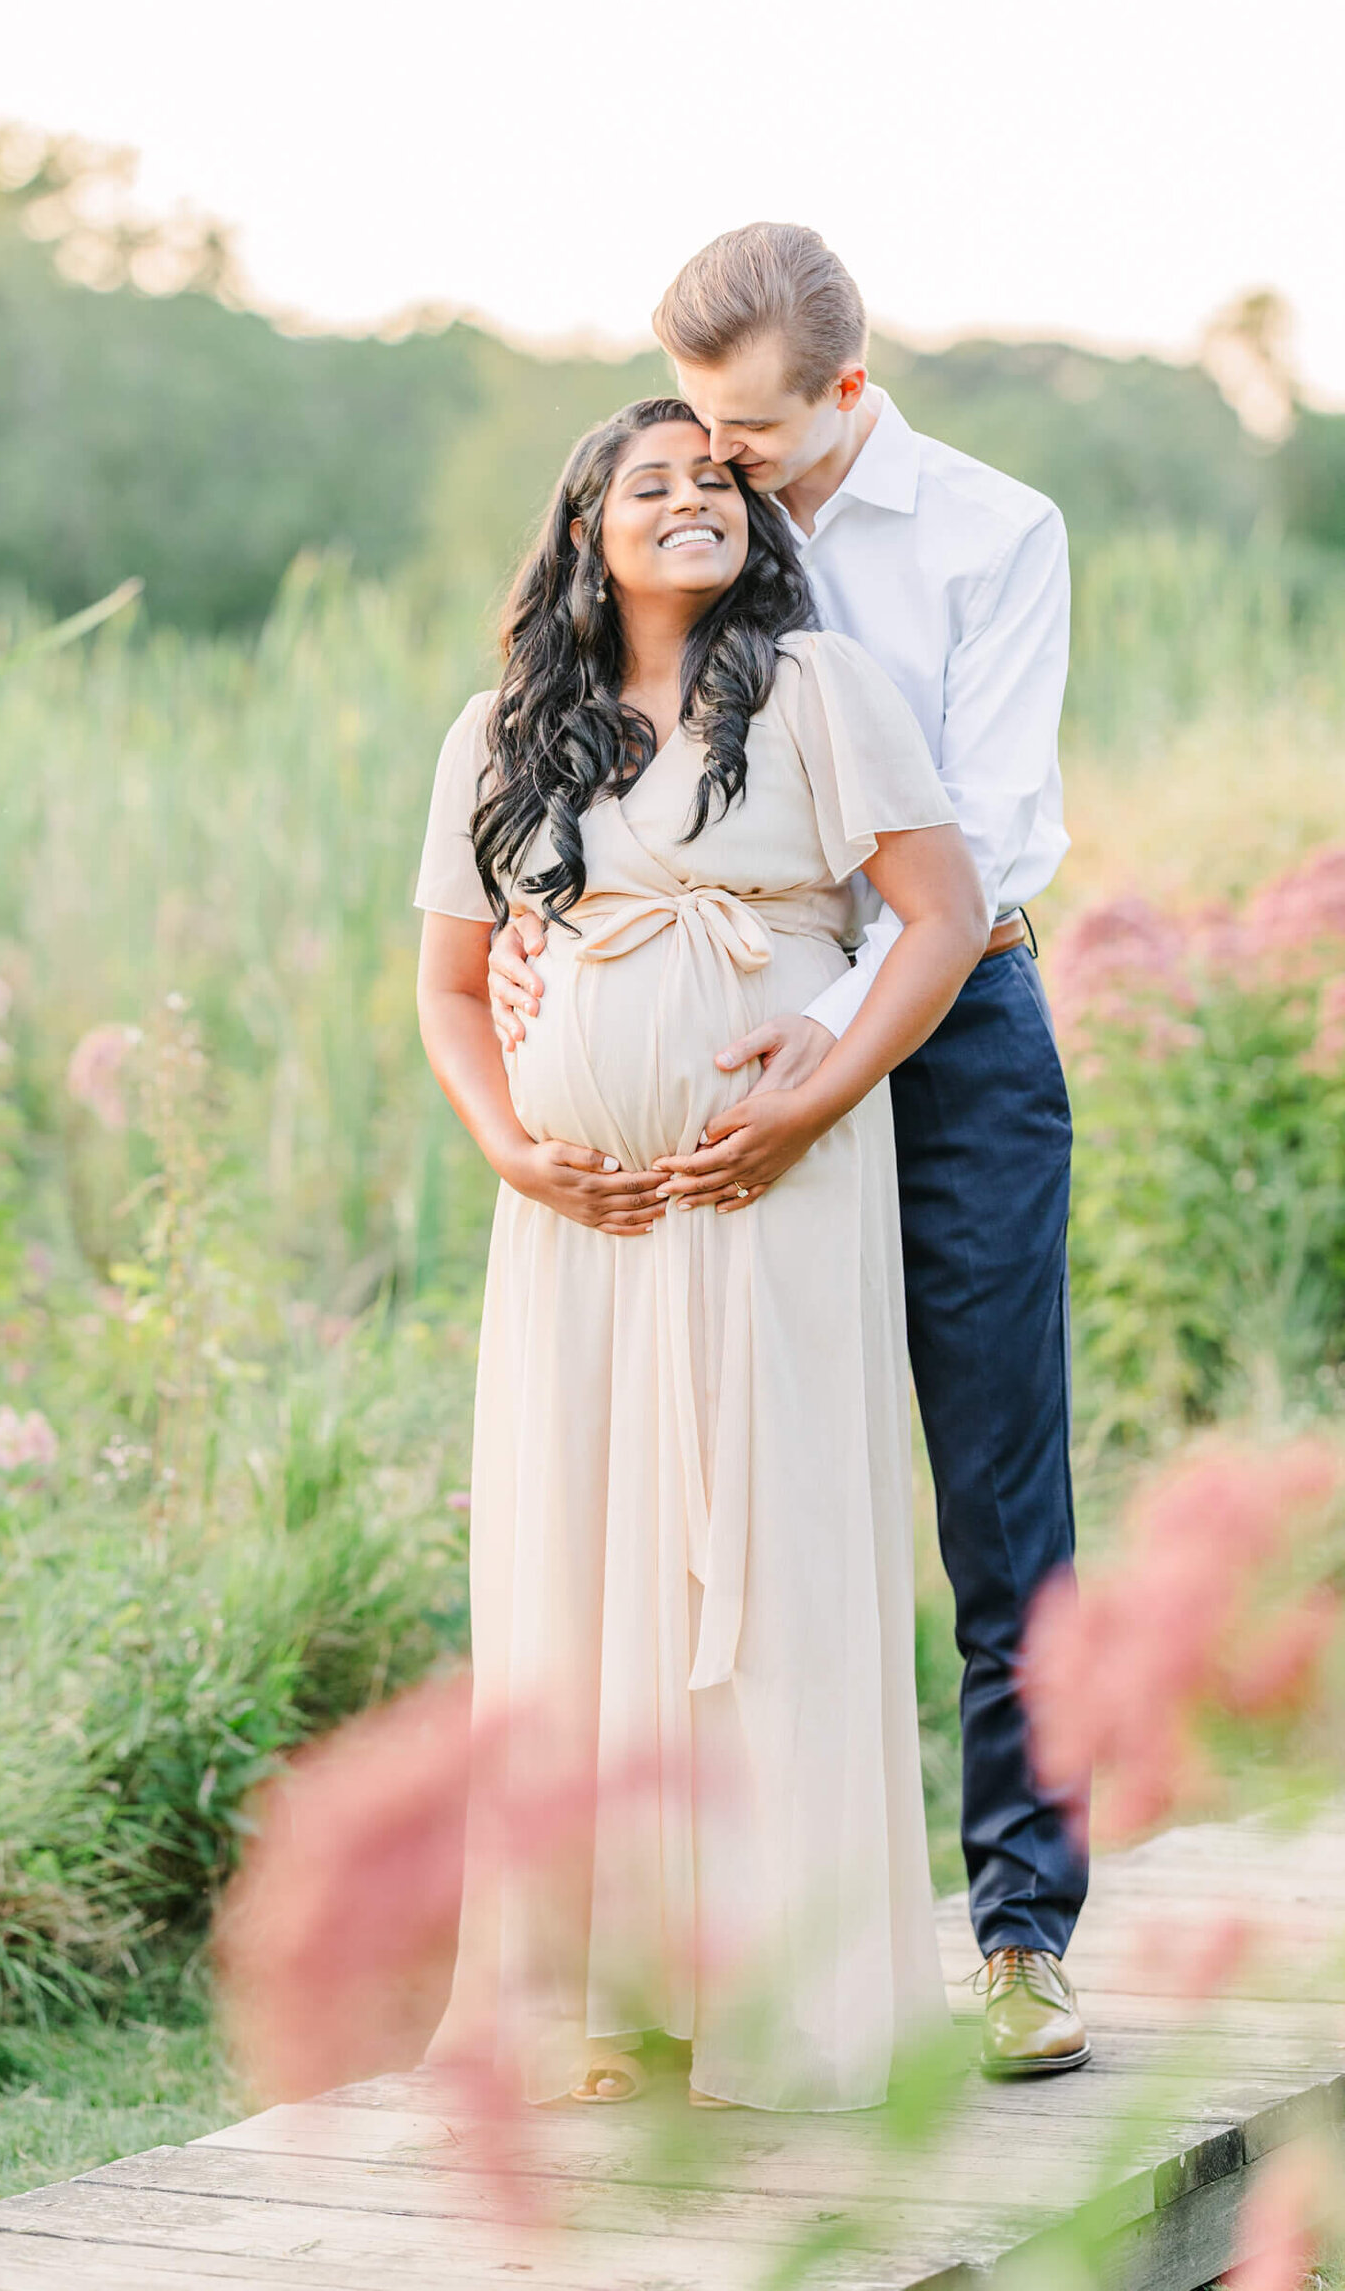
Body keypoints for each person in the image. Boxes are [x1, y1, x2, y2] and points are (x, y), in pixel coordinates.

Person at [490, 226, 1091, 2082]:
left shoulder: (994, 533)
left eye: (746, 435)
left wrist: (815, 1054)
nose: (714, 467)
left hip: (948, 1026)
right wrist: (559, 921)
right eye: (691, 432)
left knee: (996, 1493)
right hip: (723, 1029)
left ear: (843, 391)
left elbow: (964, 861)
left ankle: (1020, 1939)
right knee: (698, 1493)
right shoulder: (705, 511)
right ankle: (712, 1946)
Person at [414, 395, 985, 2111]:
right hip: (579, 1223)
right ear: (586, 527)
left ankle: (789, 1995)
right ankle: (602, 1993)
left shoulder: (818, 689)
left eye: (717, 478)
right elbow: (449, 990)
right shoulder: (503, 730)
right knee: (583, 1574)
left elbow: (941, 916)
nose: (692, 500)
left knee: (774, 1564)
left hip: (772, 1196)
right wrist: (517, 1151)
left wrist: (815, 1103)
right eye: (648, 481)